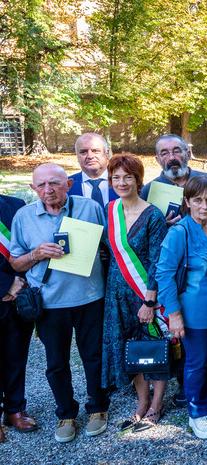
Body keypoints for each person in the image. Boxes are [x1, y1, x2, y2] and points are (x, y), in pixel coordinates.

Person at [8, 163, 109, 443]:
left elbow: (109, 246)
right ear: (33, 189)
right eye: (41, 185)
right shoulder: (23, 216)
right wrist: (37, 254)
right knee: (56, 363)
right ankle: (66, 413)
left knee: (93, 356)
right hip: (50, 303)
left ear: (69, 184)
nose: (48, 190)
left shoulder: (89, 208)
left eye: (54, 183)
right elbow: (15, 261)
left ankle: (98, 407)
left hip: (90, 296)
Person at [155, 175, 207, 440]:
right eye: (198, 200)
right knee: (196, 363)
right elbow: (164, 273)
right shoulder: (179, 232)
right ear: (187, 202)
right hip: (193, 313)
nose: (205, 205)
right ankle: (197, 411)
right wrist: (174, 315)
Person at [100, 155, 169, 431]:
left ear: (138, 180)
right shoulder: (109, 210)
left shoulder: (153, 214)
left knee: (153, 346)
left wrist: (149, 301)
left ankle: (157, 404)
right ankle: (141, 402)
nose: (121, 182)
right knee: (132, 349)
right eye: (116, 177)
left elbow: (157, 260)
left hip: (145, 293)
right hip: (116, 294)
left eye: (127, 176)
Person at [0, 194, 36, 442]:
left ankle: (14, 409)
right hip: (6, 288)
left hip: (17, 296)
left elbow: (25, 246)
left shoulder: (15, 205)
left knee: (15, 353)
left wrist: (18, 284)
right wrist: (4, 285)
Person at [140, 134, 207, 223]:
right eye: (164, 153)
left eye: (177, 151)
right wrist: (161, 226)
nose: (171, 157)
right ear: (158, 160)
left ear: (188, 154)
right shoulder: (149, 191)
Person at [68, 133, 118, 208]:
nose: (90, 156)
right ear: (77, 156)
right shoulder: (66, 186)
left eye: (95, 151)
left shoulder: (126, 183)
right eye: (83, 152)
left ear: (107, 154)